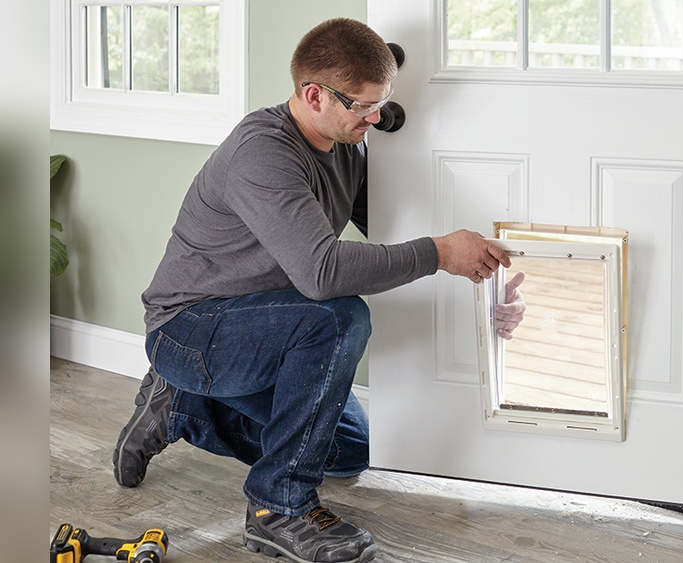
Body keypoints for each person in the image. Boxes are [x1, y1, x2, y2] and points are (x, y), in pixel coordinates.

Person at [112, 18, 525, 563]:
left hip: (259, 324)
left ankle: (183, 407)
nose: (376, 119)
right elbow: (323, 273)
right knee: (338, 317)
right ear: (314, 95)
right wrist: (441, 253)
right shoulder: (261, 154)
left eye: (382, 104)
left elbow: (387, 231)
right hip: (188, 328)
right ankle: (277, 508)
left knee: (350, 451)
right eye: (364, 106)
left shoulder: (344, 146)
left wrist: (480, 263)